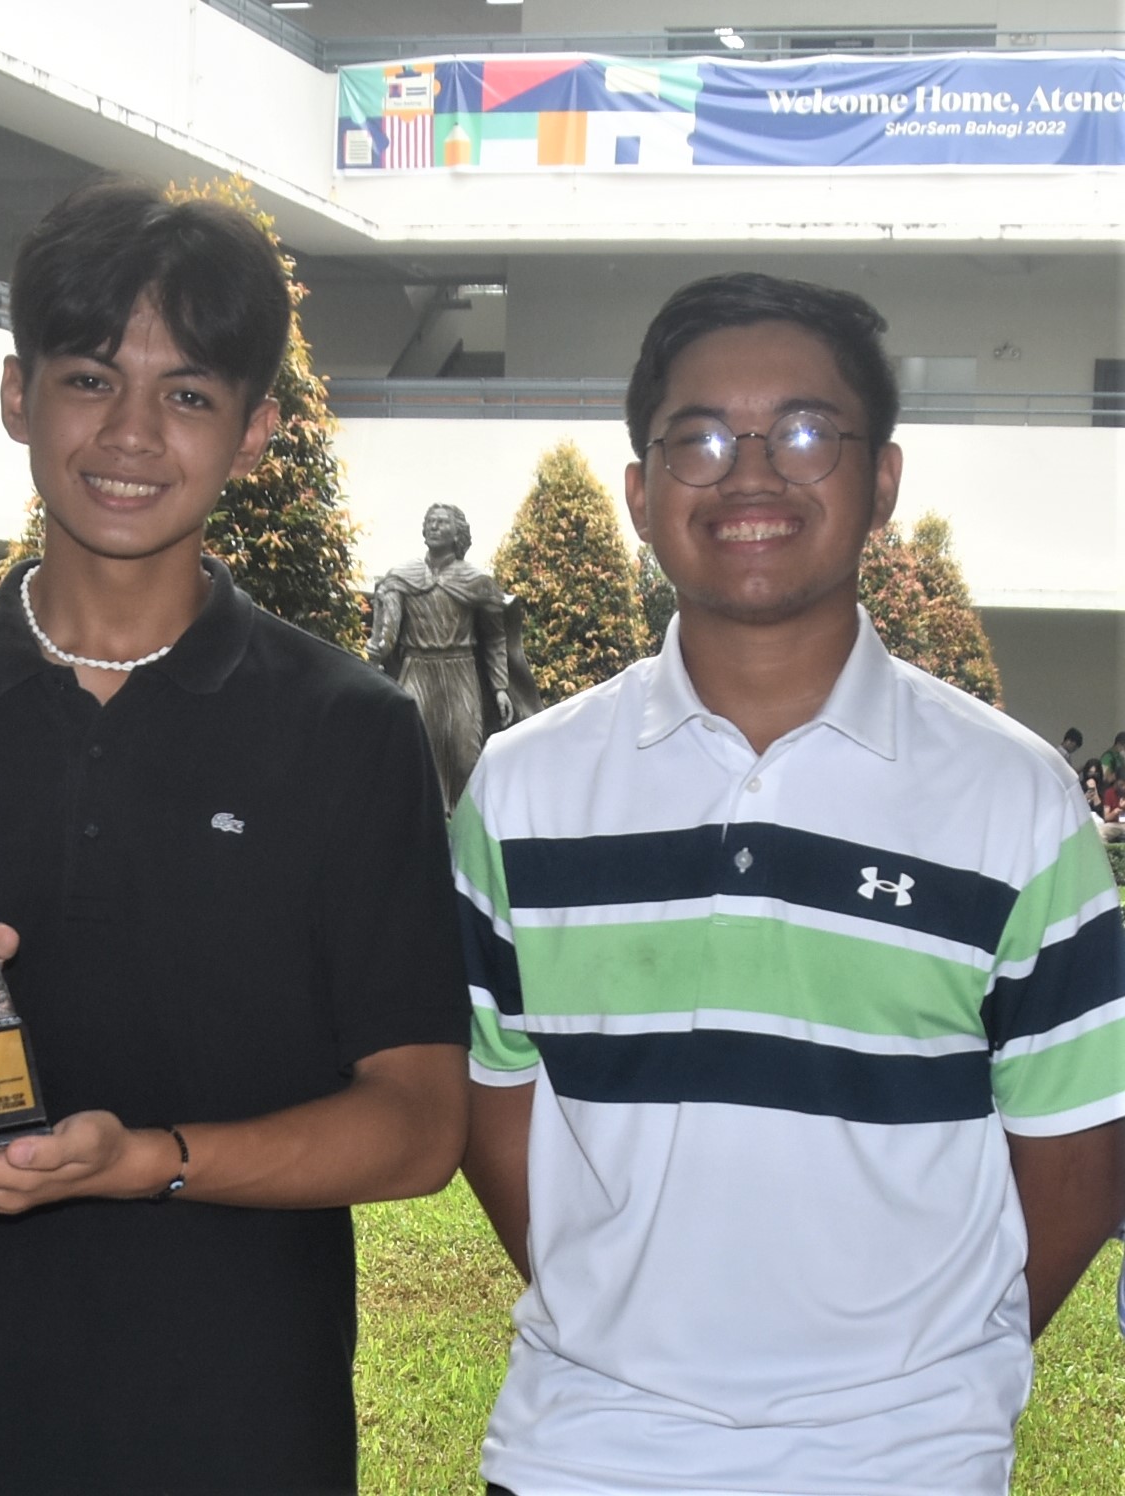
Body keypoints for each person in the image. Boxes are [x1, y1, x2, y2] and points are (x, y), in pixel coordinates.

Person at [0, 177, 471, 1494]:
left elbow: (417, 1125)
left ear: (256, 429)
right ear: (18, 396)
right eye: (92, 378)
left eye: (189, 396)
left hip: (237, 1415)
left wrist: (142, 1164)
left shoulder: (347, 730)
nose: (131, 434)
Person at [455, 271, 1125, 1496]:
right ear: (639, 491)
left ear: (880, 481)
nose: (749, 472)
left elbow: (1075, 1163)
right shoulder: (522, 790)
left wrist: (911, 1378)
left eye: (806, 431)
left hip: (905, 1462)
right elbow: (494, 1107)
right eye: (699, 435)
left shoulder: (1013, 799)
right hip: (583, 1451)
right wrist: (627, 1321)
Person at [366, 503, 535, 807]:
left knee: (465, 756)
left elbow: (495, 637)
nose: (433, 526)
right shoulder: (402, 577)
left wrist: (499, 688)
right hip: (417, 670)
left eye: (442, 522)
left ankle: (465, 829)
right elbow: (386, 631)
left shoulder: (476, 581)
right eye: (430, 521)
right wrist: (378, 650)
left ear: (458, 533)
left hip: (460, 674)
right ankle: (417, 827)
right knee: (413, 751)